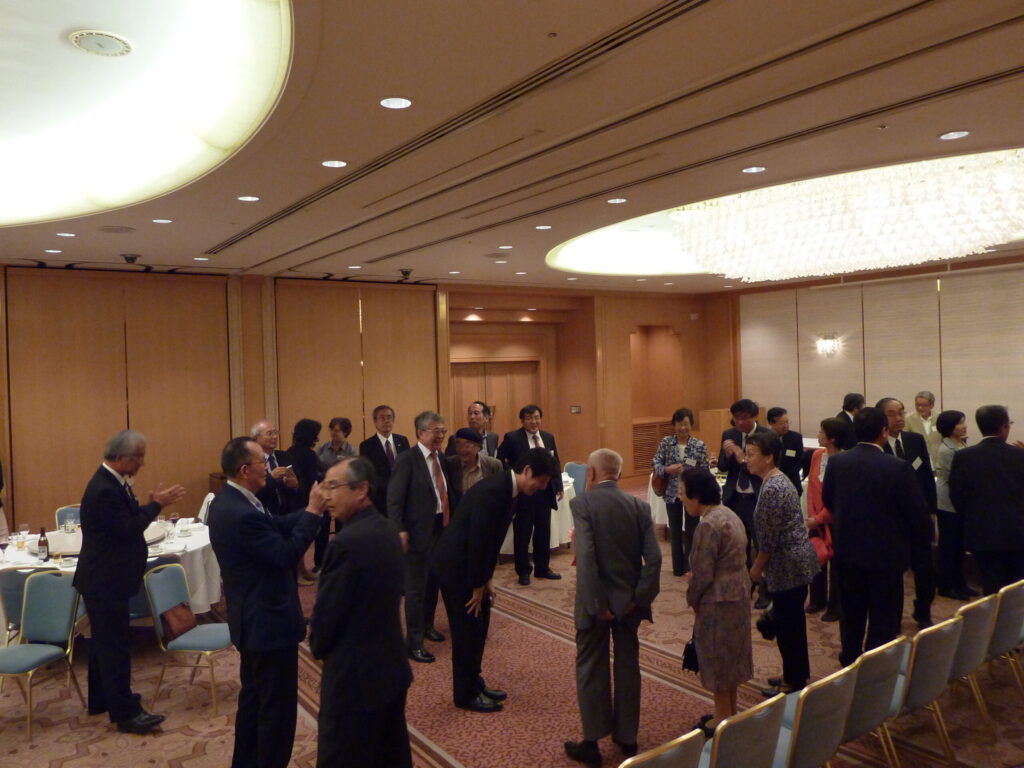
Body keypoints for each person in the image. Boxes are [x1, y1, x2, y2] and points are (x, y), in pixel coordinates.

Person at [208, 436, 322, 768]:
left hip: (252, 620)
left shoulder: (233, 500)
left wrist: (308, 511)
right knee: (276, 710)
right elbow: (285, 554)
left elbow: (276, 525)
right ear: (245, 470)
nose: (269, 467)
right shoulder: (240, 513)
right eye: (263, 462)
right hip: (268, 624)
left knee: (255, 701)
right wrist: (314, 513)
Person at [430, 447, 557, 713]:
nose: (543, 487)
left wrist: (485, 579)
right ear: (527, 471)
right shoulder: (494, 491)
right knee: (467, 631)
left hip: (471, 566)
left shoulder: (508, 489)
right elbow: (478, 540)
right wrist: (478, 583)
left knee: (479, 626)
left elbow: (490, 539)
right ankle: (465, 695)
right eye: (542, 481)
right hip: (457, 567)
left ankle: (475, 682)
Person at [74, 430, 185, 734]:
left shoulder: (111, 482)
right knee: (115, 648)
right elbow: (127, 529)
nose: (142, 463)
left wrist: (147, 505)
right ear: (122, 457)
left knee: (103, 644)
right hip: (105, 580)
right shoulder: (105, 489)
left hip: (104, 578)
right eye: (139, 457)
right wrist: (156, 506)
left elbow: (123, 521)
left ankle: (101, 700)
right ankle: (126, 714)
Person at [310, 457, 412, 768]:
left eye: (333, 486)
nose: (326, 496)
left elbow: (328, 615)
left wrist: (317, 647)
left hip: (355, 679)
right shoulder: (389, 529)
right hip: (390, 666)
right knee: (388, 753)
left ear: (361, 490)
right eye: (324, 486)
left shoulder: (346, 543)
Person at [564, 449, 661, 767]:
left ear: (591, 474)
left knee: (591, 666)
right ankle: (627, 736)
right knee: (628, 665)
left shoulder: (582, 504)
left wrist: (597, 604)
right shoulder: (639, 506)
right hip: (628, 605)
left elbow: (587, 557)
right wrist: (637, 598)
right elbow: (655, 559)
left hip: (595, 605)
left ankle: (592, 743)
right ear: (618, 474)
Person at [822, 407, 930, 666]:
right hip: (886, 554)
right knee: (884, 615)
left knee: (851, 612)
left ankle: (849, 659)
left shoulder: (838, 462)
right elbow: (916, 513)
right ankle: (876, 666)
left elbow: (829, 501)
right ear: (884, 432)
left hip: (847, 550)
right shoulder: (897, 467)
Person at [745, 432, 818, 696]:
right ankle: (794, 673)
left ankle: (793, 681)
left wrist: (756, 569)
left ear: (768, 457)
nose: (746, 459)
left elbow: (769, 539)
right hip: (791, 563)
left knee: (789, 627)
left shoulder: (773, 487)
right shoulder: (775, 480)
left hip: (788, 566)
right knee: (791, 623)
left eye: (751, 454)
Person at [683, 467, 751, 738]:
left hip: (718, 602)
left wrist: (692, 597)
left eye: (683, 493)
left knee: (718, 662)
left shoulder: (708, 525)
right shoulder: (729, 514)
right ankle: (730, 714)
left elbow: (702, 573)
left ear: (696, 495)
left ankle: (723, 724)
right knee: (731, 660)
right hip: (739, 595)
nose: (681, 498)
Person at [387, 410, 461, 663]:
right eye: (435, 431)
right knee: (416, 589)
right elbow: (394, 500)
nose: (441, 436)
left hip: (442, 527)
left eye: (443, 431)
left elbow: (448, 493)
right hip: (416, 533)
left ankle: (428, 625)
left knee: (433, 584)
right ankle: (414, 642)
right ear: (420, 432)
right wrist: (399, 529)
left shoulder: (442, 458)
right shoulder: (407, 460)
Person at [949, 405, 1024, 595]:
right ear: (1004, 427)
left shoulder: (964, 456)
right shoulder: (1019, 455)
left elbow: (956, 495)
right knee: (1016, 586)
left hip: (981, 532)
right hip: (1017, 531)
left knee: (990, 585)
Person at [877, 397, 936, 628]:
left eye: (901, 412)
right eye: (892, 414)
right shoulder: (877, 447)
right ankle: (893, 617)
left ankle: (923, 611)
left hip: (918, 518)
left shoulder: (914, 440)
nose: (899, 418)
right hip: (891, 521)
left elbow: (926, 476)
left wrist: (931, 512)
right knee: (894, 573)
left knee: (925, 569)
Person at [497, 404, 564, 585]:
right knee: (523, 533)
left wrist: (558, 485)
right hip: (524, 494)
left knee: (543, 532)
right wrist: (515, 475)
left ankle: (543, 567)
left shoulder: (548, 437)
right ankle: (523, 571)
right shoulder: (513, 438)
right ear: (522, 420)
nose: (533, 422)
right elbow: (499, 459)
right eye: (529, 418)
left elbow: (555, 462)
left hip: (544, 493)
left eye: (536, 417)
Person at [652, 407, 710, 576]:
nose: (682, 428)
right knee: (675, 531)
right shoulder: (666, 442)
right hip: (672, 494)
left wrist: (692, 475)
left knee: (692, 531)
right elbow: (655, 463)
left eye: (685, 424)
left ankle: (689, 567)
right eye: (679, 424)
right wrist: (667, 469)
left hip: (692, 495)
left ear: (691, 424)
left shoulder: (699, 445)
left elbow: (705, 470)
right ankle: (677, 568)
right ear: (674, 425)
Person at [718, 399, 770, 573]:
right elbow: (722, 467)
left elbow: (768, 469)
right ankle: (744, 581)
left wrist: (741, 457)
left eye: (744, 417)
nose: (740, 422)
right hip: (734, 498)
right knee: (738, 544)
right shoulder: (729, 434)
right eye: (736, 418)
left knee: (761, 543)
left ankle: (763, 584)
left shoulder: (766, 436)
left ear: (754, 416)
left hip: (757, 498)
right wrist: (727, 456)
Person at [804, 417, 847, 621]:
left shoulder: (845, 461)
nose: (818, 435)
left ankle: (835, 606)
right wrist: (813, 516)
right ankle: (817, 599)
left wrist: (820, 518)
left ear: (832, 438)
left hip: (836, 521)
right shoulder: (817, 455)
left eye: (822, 432)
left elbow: (840, 497)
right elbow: (812, 488)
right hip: (816, 518)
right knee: (815, 558)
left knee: (837, 566)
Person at [933, 410, 974, 600]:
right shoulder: (946, 449)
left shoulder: (960, 443)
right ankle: (946, 585)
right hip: (949, 503)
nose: (964, 426)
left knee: (959, 547)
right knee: (949, 546)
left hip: (960, 501)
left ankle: (960, 583)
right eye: (959, 423)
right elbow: (955, 479)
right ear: (949, 427)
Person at [287, 417, 323, 581]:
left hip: (292, 498)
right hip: (305, 499)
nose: (318, 438)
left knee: (297, 535)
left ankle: (301, 569)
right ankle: (298, 573)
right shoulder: (309, 454)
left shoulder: (289, 451)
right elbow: (312, 480)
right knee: (303, 535)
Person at [359, 405, 411, 514]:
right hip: (380, 499)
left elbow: (409, 467)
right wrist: (393, 486)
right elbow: (368, 475)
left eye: (389, 417)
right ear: (375, 421)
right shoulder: (366, 445)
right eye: (382, 418)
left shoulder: (402, 440)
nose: (386, 421)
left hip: (404, 498)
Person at [251, 420, 299, 516]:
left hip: (289, 514)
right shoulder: (252, 461)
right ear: (256, 438)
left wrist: (295, 485)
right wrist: (271, 478)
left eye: (276, 432)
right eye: (269, 433)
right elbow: (253, 492)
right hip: (263, 514)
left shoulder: (285, 456)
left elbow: (298, 488)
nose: (275, 436)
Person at [766, 406, 804, 495]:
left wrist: (782, 478)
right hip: (769, 484)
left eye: (787, 422)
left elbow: (799, 461)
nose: (786, 426)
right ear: (771, 423)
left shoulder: (796, 438)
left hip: (791, 484)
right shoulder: (764, 438)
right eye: (781, 423)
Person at [452, 427, 503, 491]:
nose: (462, 449)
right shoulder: (451, 464)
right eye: (458, 445)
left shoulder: (493, 465)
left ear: (478, 447)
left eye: (467, 445)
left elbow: (501, 489)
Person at [905, 390, 941, 466]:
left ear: (932, 405)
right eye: (917, 405)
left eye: (924, 405)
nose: (920, 408)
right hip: (917, 460)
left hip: (938, 460)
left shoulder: (939, 417)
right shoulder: (908, 419)